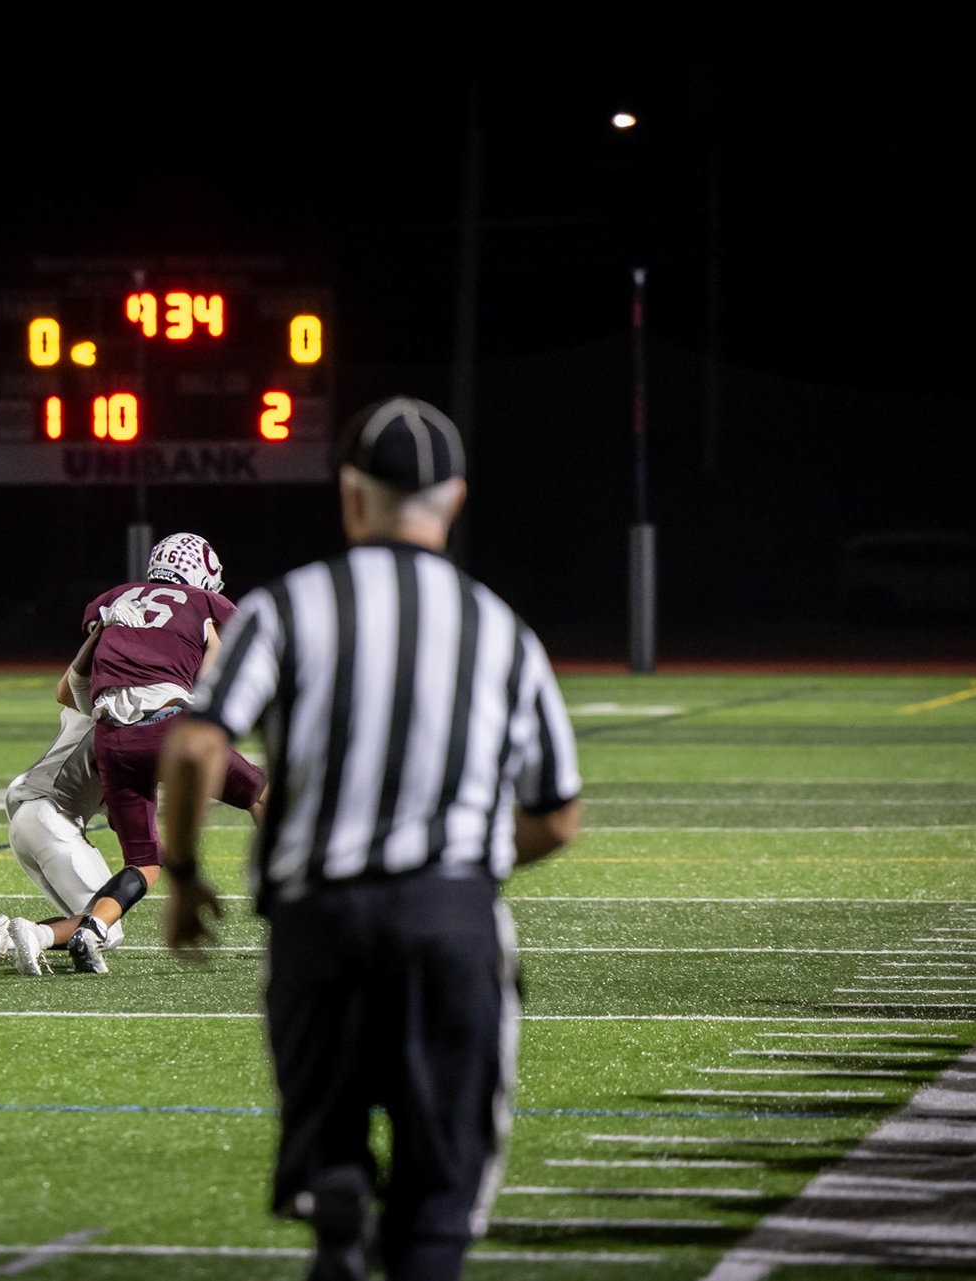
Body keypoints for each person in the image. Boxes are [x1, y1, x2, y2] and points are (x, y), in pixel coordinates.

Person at [159, 396, 583, 1281]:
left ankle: (338, 1187)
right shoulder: (501, 630)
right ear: (455, 498)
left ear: (350, 494)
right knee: (438, 1198)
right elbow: (556, 815)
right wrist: (456, 855)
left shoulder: (287, 608)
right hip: (449, 922)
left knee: (332, 1150)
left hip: (320, 922)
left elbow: (197, 743)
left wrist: (189, 876)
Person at [7, 533, 268, 977]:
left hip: (113, 740)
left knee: (144, 861)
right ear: (202, 573)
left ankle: (92, 929)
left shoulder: (113, 603)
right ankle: (293, 899)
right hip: (169, 726)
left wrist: (106, 636)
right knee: (260, 791)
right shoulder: (203, 605)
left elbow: (66, 693)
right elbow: (217, 679)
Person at [0, 624, 123, 971]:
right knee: (108, 927)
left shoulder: (102, 703)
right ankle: (27, 934)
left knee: (87, 915)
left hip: (25, 816)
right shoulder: (126, 716)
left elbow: (67, 689)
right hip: (52, 819)